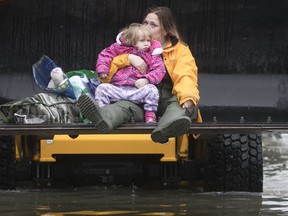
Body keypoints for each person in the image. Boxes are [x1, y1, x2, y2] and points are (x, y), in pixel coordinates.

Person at [77, 6, 201, 143]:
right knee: (123, 106)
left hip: (166, 100)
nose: (147, 27)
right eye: (145, 23)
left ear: (166, 30)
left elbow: (186, 75)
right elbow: (105, 77)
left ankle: (165, 129)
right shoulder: (131, 46)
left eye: (153, 25)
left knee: (185, 103)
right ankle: (102, 118)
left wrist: (188, 97)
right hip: (137, 98)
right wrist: (128, 58)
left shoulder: (180, 50)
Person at [94, 23, 166, 123]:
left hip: (137, 90)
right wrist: (103, 70)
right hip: (118, 88)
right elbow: (105, 55)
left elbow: (159, 70)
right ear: (132, 41)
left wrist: (146, 79)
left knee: (152, 90)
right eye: (142, 40)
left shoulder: (152, 54)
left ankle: (150, 116)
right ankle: (102, 113)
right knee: (101, 88)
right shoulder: (118, 48)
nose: (146, 43)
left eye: (148, 40)